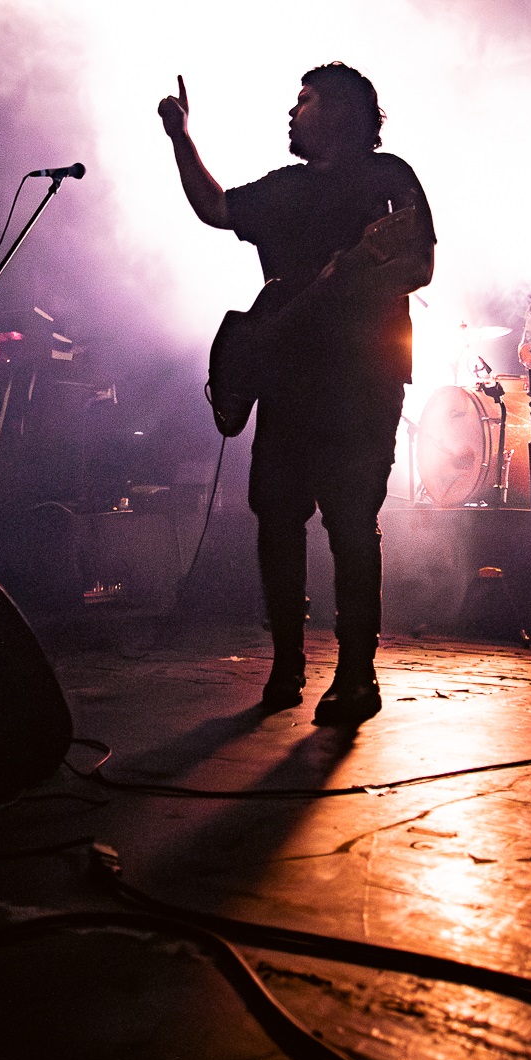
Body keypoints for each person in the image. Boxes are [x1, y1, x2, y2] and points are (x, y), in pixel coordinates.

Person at [158, 63, 435, 724]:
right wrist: (179, 138)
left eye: (304, 100)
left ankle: (356, 675)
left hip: (361, 373)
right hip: (286, 374)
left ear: (341, 110)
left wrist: (346, 285)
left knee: (348, 519)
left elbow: (418, 263)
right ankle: (287, 664)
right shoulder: (284, 187)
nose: (292, 111)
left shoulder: (386, 176)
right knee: (277, 517)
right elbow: (216, 206)